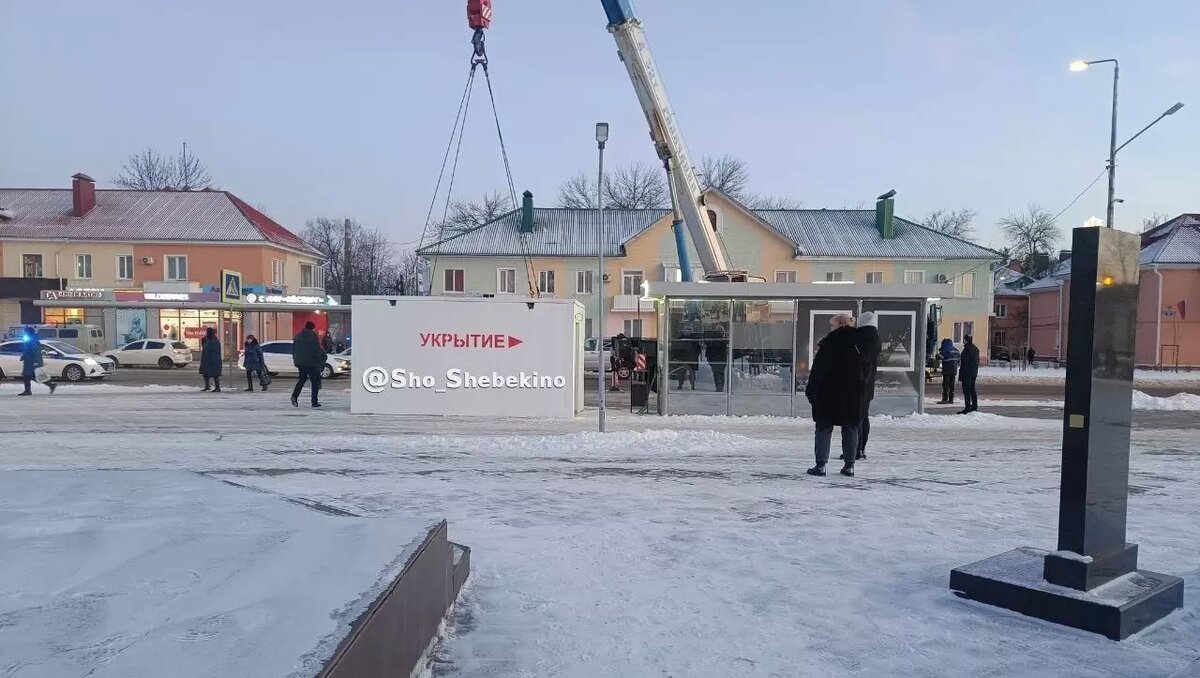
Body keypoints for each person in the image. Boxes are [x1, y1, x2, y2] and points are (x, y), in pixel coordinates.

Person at [805, 314, 866, 477]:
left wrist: (811, 390)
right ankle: (849, 465)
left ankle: (821, 465)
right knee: (851, 427)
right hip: (853, 392)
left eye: (832, 325)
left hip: (829, 392)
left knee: (824, 427)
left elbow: (819, 370)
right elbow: (867, 368)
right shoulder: (859, 343)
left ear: (839, 324)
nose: (830, 328)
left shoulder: (829, 343)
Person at [852, 311, 881, 461]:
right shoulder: (875, 339)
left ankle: (855, 449)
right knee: (864, 417)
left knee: (856, 418)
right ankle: (861, 448)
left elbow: (857, 360)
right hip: (868, 384)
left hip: (858, 382)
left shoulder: (860, 338)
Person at [291, 320, 326, 408]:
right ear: (312, 328)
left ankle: (294, 396)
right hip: (311, 362)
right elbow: (316, 350)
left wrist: (295, 359)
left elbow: (294, 349)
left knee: (302, 380)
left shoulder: (298, 335)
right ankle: (314, 401)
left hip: (300, 362)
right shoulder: (313, 336)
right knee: (315, 382)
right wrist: (319, 360)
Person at [18, 327, 56, 396]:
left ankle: (28, 391)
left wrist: (36, 362)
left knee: (27, 376)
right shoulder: (29, 339)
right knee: (34, 376)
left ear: (28, 332)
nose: (24, 333)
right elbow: (27, 350)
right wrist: (23, 356)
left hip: (31, 362)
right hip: (29, 361)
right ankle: (50, 385)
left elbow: (36, 352)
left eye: (25, 332)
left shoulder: (32, 340)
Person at [959, 335, 980, 414]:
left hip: (967, 373)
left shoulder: (967, 350)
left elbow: (964, 363)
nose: (963, 341)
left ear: (966, 340)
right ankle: (974, 406)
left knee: (967, 391)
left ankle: (967, 408)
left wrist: (961, 374)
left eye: (964, 339)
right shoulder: (975, 348)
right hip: (974, 372)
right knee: (972, 389)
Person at [199, 326, 222, 392]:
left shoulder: (214, 341)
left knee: (215, 374)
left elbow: (214, 351)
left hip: (213, 360)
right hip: (206, 360)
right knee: (205, 373)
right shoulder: (207, 340)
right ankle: (207, 386)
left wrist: (212, 359)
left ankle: (217, 387)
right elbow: (204, 347)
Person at [937, 338, 959, 404]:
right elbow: (959, 359)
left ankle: (945, 398)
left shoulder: (945, 350)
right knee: (952, 384)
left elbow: (939, 357)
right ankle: (951, 399)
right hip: (954, 370)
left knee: (945, 384)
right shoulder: (956, 350)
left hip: (947, 369)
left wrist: (938, 354)